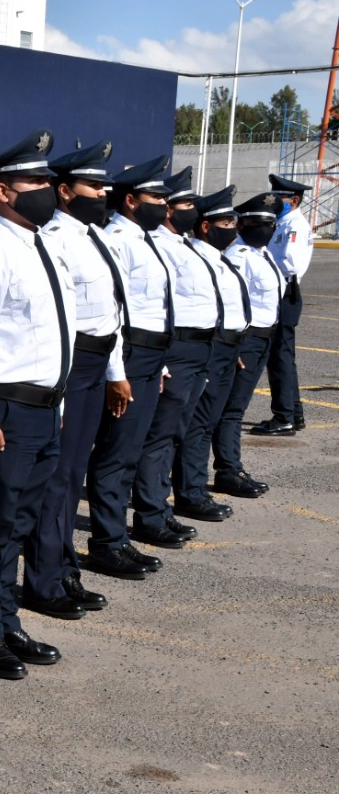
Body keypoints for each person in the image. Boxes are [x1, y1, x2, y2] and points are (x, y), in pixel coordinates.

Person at [0, 129, 73, 680]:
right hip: (8, 412)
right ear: (3, 191)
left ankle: (7, 623)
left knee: (20, 523)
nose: (48, 189)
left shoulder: (41, 246)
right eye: (36, 181)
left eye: (49, 180)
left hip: (46, 409)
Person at [21, 140, 123, 620]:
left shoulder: (90, 234)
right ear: (65, 191)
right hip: (72, 364)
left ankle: (65, 568)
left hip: (96, 363)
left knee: (73, 475)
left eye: (104, 185)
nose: (102, 193)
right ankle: (43, 579)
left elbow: (112, 310)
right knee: (56, 479)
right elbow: (59, 318)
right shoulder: (56, 237)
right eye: (93, 185)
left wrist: (115, 371)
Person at [83, 156, 175, 579]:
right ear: (133, 200)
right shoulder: (118, 239)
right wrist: (119, 370)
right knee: (116, 451)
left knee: (132, 448)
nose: (165, 204)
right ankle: (106, 541)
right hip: (131, 353)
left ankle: (118, 535)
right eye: (157, 196)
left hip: (151, 355)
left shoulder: (144, 238)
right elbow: (115, 311)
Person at [129, 166, 220, 550]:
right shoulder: (156, 245)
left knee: (175, 431)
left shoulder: (185, 245)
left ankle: (160, 509)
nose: (186, 210)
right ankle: (150, 515)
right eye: (180, 203)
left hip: (199, 347)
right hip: (177, 348)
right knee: (160, 434)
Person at [173, 185, 246, 521]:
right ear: (206, 226)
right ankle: (190, 493)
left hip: (226, 349)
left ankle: (196, 489)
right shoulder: (193, 256)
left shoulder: (218, 258)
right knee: (197, 424)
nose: (232, 229)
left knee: (208, 422)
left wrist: (234, 347)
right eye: (226, 223)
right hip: (210, 348)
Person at [212, 192, 285, 498]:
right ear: (242, 225)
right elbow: (229, 304)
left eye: (269, 223)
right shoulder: (238, 257)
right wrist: (236, 346)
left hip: (264, 338)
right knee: (231, 409)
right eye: (257, 222)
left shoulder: (263, 254)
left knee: (237, 407)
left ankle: (232, 466)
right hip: (247, 339)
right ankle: (228, 470)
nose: (265, 229)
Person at [253, 174, 314, 435]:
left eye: (280, 199)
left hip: (284, 292)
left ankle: (284, 416)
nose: (275, 202)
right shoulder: (282, 223)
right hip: (280, 292)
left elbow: (291, 264)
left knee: (279, 357)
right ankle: (294, 412)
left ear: (295, 200)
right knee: (283, 357)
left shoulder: (294, 226)